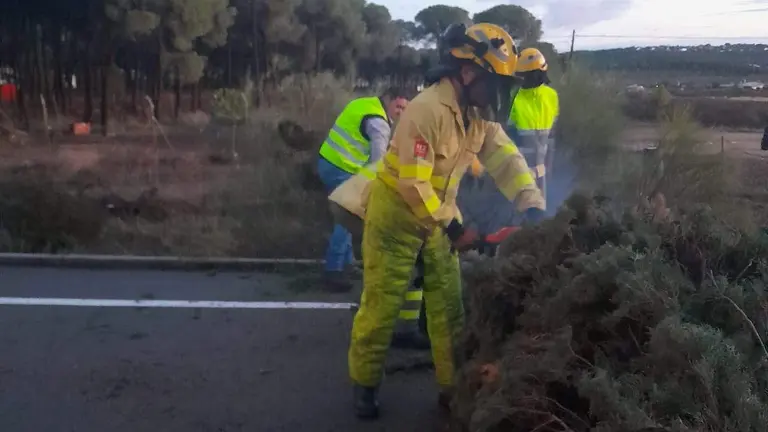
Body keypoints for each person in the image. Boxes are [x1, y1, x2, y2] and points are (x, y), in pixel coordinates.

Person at [347, 22, 547, 419]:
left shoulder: (479, 116)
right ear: (468, 73)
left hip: (438, 215)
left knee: (448, 313)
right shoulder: (426, 110)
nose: (499, 95)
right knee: (381, 307)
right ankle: (365, 386)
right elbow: (413, 184)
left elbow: (507, 159)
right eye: (494, 83)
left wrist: (533, 205)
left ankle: (450, 393)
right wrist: (456, 229)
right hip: (396, 217)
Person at [457, 48, 560, 235]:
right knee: (516, 222)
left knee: (523, 222)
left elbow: (549, 136)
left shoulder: (536, 96)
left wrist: (548, 165)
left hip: (526, 173)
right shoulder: (529, 97)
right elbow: (497, 140)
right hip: (521, 173)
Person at [316, 88, 411, 292]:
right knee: (347, 213)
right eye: (399, 106)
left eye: (405, 109)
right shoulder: (379, 124)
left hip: (329, 161)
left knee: (349, 215)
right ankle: (333, 270)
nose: (401, 112)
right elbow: (378, 162)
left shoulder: (364, 103)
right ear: (388, 99)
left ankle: (347, 264)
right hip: (340, 167)